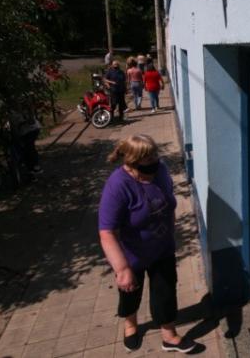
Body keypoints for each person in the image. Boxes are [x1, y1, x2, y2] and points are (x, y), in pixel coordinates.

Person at [98, 135, 199, 354]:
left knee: (165, 292)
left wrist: (171, 232)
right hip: (132, 254)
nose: (155, 162)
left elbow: (168, 200)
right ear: (132, 162)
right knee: (130, 294)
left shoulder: (159, 170)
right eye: (148, 159)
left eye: (156, 155)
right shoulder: (118, 185)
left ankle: (169, 335)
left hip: (162, 247)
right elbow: (106, 231)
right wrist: (122, 269)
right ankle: (130, 325)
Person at [9, 105, 43, 177]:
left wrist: (25, 116)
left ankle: (35, 166)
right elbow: (14, 128)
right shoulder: (12, 114)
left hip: (31, 129)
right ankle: (30, 168)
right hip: (24, 132)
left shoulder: (24, 110)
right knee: (24, 148)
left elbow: (32, 121)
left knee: (29, 146)